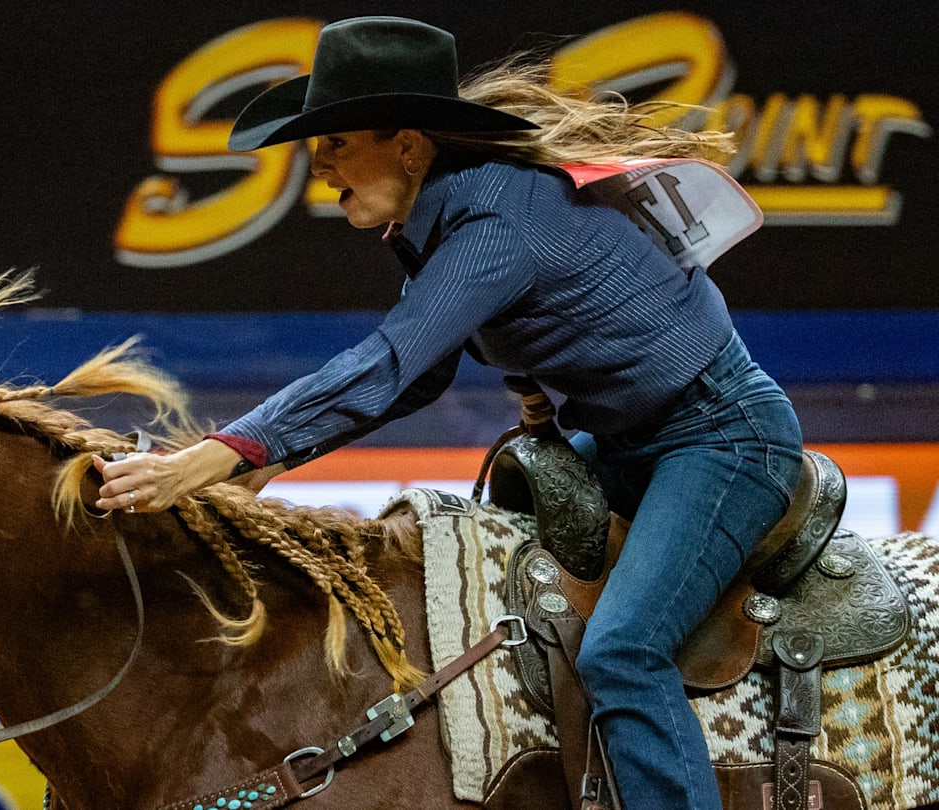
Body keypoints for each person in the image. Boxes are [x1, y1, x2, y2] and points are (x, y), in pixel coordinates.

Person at [93, 15, 803, 810]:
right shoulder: (454, 217)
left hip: (723, 441)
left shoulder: (496, 220)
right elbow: (417, 378)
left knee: (622, 653)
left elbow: (391, 362)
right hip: (631, 446)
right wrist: (268, 461)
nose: (318, 167)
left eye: (335, 143)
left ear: (408, 144)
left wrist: (225, 452)